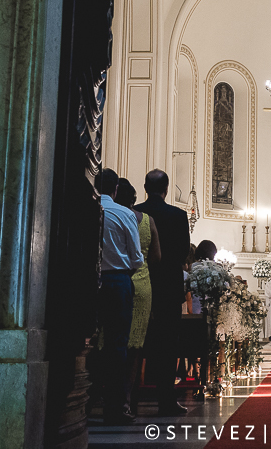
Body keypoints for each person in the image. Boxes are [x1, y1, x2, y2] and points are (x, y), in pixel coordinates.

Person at [135, 169, 191, 416]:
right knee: (168, 343)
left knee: (137, 341)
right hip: (169, 285)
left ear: (145, 188)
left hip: (140, 283)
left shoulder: (135, 213)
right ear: (167, 189)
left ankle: (131, 398)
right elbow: (182, 254)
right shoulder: (178, 215)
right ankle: (166, 400)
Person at [96, 169, 145, 425]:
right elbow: (136, 258)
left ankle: (83, 400)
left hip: (89, 283)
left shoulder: (85, 209)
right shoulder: (125, 214)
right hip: (117, 281)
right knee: (117, 344)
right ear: (115, 189)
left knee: (86, 343)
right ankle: (114, 408)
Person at [114, 178, 161, 418]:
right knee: (134, 346)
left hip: (112, 281)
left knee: (107, 342)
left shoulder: (108, 215)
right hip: (141, 283)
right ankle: (126, 400)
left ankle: (102, 397)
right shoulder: (145, 220)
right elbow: (155, 257)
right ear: (134, 200)